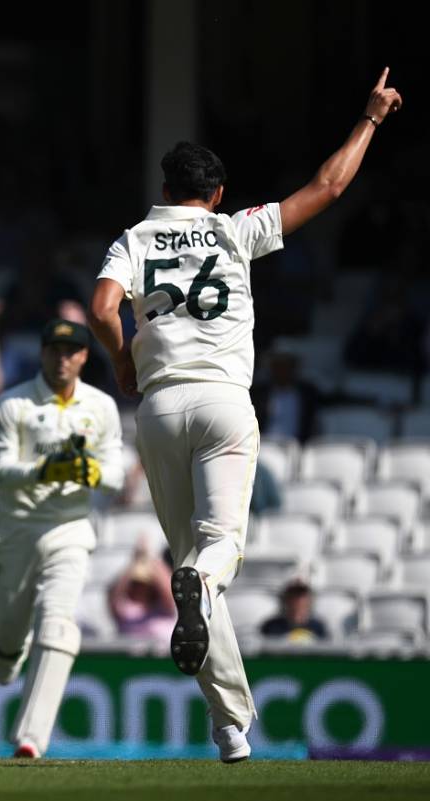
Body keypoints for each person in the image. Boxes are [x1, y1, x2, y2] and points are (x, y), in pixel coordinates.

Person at [88, 69, 402, 763]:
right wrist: (371, 119)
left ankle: (230, 726)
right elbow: (329, 187)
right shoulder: (235, 231)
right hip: (226, 402)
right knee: (217, 549)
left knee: (189, 559)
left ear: (164, 189)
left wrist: (120, 361)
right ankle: (202, 591)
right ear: (218, 194)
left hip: (159, 407)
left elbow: (102, 308)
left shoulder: (134, 239)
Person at [0, 319, 124, 759]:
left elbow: (116, 475)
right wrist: (45, 470)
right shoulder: (14, 403)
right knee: (9, 638)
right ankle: (4, 650)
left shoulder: (101, 406)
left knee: (58, 621)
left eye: (72, 351)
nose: (63, 359)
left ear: (84, 356)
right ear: (43, 353)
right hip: (18, 529)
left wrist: (92, 472)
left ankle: (31, 737)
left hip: (70, 528)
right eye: (55, 350)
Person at [107, 541, 176, 643]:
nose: (140, 588)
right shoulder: (126, 609)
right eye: (136, 583)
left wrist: (150, 558)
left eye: (145, 583)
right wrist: (134, 563)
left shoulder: (163, 608)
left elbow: (168, 591)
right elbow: (114, 597)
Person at [259, 579, 328, 643]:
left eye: (302, 596)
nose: (298, 601)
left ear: (309, 601)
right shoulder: (271, 626)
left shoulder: (318, 627)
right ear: (286, 600)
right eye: (294, 596)